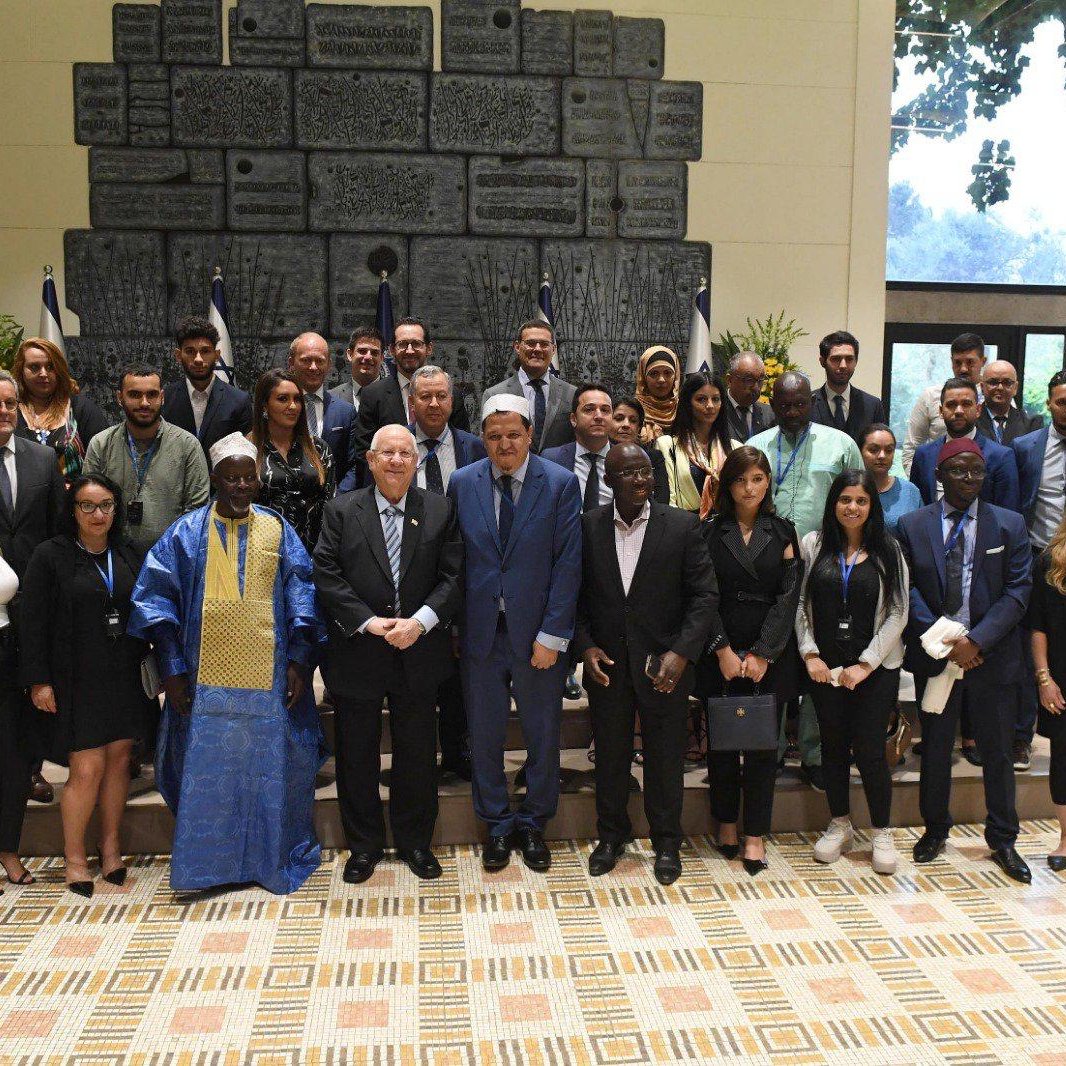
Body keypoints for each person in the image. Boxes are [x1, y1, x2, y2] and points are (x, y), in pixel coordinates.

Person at [128, 433, 327, 894]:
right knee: (208, 774)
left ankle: (266, 860)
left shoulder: (278, 529)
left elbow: (302, 595)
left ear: (258, 480)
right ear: (215, 479)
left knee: (269, 771)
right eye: (231, 478)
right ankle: (208, 868)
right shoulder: (185, 532)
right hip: (202, 687)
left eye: (248, 478)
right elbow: (156, 601)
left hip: (270, 685)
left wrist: (299, 662)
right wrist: (173, 669)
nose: (240, 486)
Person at [313, 424, 463, 883]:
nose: (397, 461)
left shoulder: (439, 509)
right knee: (356, 754)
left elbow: (454, 576)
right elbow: (326, 572)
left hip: (419, 648)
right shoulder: (341, 510)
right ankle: (364, 846)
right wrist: (367, 622)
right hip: (359, 650)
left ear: (416, 461)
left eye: (405, 453)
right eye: (387, 453)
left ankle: (416, 842)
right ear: (371, 460)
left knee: (417, 753)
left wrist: (420, 622)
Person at [447, 394, 581, 872]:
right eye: (494, 436)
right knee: (484, 735)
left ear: (530, 435)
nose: (504, 444)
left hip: (538, 636)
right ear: (483, 439)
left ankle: (534, 822)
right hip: (481, 633)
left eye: (513, 435)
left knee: (542, 733)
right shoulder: (463, 482)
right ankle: (498, 825)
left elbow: (568, 564)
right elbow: (454, 560)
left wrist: (553, 635)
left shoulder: (560, 482)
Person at [577, 443, 718, 885]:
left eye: (645, 472)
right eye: (628, 473)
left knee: (665, 758)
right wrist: (585, 646)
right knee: (610, 756)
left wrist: (682, 652)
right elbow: (574, 595)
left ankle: (667, 842)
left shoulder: (681, 525)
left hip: (665, 666)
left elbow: (704, 596)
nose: (639, 480)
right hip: (608, 665)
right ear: (608, 480)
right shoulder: (588, 526)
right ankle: (611, 837)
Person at [897, 438, 1033, 884]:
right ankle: (935, 829)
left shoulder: (1009, 524)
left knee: (997, 753)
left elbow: (1018, 591)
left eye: (976, 470)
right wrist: (949, 640)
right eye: (958, 470)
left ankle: (1004, 839)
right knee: (936, 749)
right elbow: (907, 588)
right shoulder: (912, 525)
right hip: (939, 655)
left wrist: (976, 641)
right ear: (939, 475)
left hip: (991, 657)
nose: (969, 478)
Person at [19, 475, 154, 897]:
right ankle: (75, 858)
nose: (99, 514)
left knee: (119, 762)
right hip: (75, 677)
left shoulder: (130, 551)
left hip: (124, 673)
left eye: (107, 505)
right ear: (73, 510)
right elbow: (33, 622)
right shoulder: (50, 555)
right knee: (86, 768)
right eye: (88, 506)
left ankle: (110, 848)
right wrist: (38, 680)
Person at [748, 372, 862, 792]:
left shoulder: (841, 444)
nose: (792, 412)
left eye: (799, 404)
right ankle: (771, 749)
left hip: (825, 565)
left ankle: (815, 753)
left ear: (811, 403)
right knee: (771, 655)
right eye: (784, 405)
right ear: (772, 404)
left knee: (821, 658)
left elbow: (858, 500)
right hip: (766, 567)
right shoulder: (756, 447)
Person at [796, 471, 909, 875]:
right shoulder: (813, 545)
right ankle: (839, 823)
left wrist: (866, 663)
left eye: (861, 500)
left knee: (870, 751)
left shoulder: (888, 549)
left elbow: (898, 611)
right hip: (825, 670)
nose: (852, 507)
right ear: (833, 504)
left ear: (871, 506)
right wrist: (810, 654)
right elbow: (799, 605)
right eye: (845, 499)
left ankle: (881, 831)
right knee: (832, 746)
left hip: (873, 670)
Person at [697, 447, 801, 876]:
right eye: (740, 479)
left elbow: (789, 596)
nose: (749, 488)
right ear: (727, 484)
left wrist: (763, 652)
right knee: (722, 742)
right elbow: (702, 593)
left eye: (757, 479)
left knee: (762, 748)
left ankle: (755, 833)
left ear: (768, 482)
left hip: (768, 651)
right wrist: (721, 647)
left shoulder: (783, 530)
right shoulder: (708, 531)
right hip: (719, 648)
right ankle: (725, 822)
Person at [408, 365, 486, 780]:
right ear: (411, 403)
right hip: (413, 574)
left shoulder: (475, 447)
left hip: (467, 572)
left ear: (452, 402)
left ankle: (458, 750)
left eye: (441, 396)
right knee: (420, 671)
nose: (434, 403)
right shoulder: (397, 446)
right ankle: (420, 758)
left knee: (460, 670)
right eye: (425, 396)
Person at [0, 367, 66, 812]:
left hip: (33, 595)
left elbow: (58, 529)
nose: (4, 411)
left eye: (10, 403)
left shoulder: (42, 458)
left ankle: (31, 770)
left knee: (34, 687)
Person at [82, 366, 210, 560]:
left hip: (170, 559)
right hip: (112, 558)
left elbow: (196, 513)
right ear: (119, 397)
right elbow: (88, 505)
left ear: (162, 397)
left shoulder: (187, 445)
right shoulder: (101, 444)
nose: (144, 403)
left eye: (152, 394)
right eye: (135, 395)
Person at [344, 318, 470, 490]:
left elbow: (462, 447)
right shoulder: (373, 395)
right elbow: (364, 456)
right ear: (391, 350)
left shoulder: (450, 394)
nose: (409, 350)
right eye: (403, 344)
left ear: (429, 348)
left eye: (416, 344)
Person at [248, 368, 335, 553]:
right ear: (264, 405)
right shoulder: (247, 449)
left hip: (312, 553)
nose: (293, 406)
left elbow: (329, 505)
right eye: (283, 399)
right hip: (261, 553)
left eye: (297, 399)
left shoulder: (319, 448)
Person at [909, 377, 1020, 511]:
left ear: (978, 410)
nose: (959, 411)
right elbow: (915, 507)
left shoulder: (1001, 457)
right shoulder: (923, 455)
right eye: (951, 405)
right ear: (941, 411)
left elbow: (1007, 513)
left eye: (966, 404)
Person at [13, 337, 109, 486]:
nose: (43, 373)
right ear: (21, 371)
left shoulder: (81, 408)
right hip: (22, 499)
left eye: (50, 367)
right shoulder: (9, 411)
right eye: (34, 367)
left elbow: (104, 461)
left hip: (72, 498)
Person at [1028, 514, 1066, 870]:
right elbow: (1037, 626)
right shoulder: (1050, 561)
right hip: (1061, 678)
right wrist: (1044, 678)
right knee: (1063, 758)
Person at [161, 316, 252, 460]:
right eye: (190, 351)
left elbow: (245, 456)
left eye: (205, 351)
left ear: (217, 355)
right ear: (178, 355)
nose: (198, 359)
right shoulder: (165, 399)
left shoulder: (239, 401)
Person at [481, 321, 577, 453]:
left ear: (553, 349)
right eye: (531, 343)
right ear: (517, 347)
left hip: (559, 466)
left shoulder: (572, 394)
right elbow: (488, 442)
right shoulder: (494, 394)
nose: (537, 349)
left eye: (544, 344)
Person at [902, 332, 987, 473]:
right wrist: (925, 482)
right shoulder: (930, 396)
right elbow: (911, 448)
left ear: (983, 361)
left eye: (970, 362)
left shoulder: (994, 397)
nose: (963, 369)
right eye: (957, 362)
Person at [655, 372, 737, 514]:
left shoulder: (735, 448)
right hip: (684, 523)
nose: (710, 405)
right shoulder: (667, 445)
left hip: (726, 524)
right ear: (688, 403)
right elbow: (668, 502)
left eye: (716, 399)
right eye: (701, 399)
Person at [284, 331, 355, 490]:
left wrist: (338, 499)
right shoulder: (279, 409)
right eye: (306, 360)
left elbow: (354, 465)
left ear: (329, 364)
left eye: (320, 361)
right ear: (291, 362)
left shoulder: (346, 412)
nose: (313, 367)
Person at [542, 384, 615, 512]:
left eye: (605, 410)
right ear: (573, 419)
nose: (598, 416)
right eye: (589, 409)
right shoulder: (550, 459)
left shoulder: (626, 460)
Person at [809, 330, 886, 446]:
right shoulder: (807, 403)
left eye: (849, 359)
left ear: (856, 362)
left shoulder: (872, 405)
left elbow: (879, 447)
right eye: (836, 359)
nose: (843, 365)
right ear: (822, 361)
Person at [859, 424, 922, 535]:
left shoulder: (909, 491)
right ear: (860, 451)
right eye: (873, 450)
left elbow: (920, 533)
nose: (882, 456)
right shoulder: (849, 489)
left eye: (888, 450)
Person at [608, 396, 670, 505]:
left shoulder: (653, 457)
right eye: (619, 418)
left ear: (639, 428)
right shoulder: (598, 454)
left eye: (633, 421)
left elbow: (662, 499)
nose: (626, 425)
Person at [978, 360, 1042, 444]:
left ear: (1015, 388)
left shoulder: (1030, 423)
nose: (1000, 387)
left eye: (1007, 382)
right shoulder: (971, 420)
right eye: (993, 382)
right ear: (982, 387)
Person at [329, 325, 385, 412]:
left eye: (374, 352)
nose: (368, 357)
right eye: (362, 351)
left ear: (382, 358)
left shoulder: (397, 397)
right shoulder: (330, 398)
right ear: (350, 355)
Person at [723, 352, 775, 443]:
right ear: (730, 380)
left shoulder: (771, 415)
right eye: (749, 380)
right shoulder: (714, 412)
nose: (756, 387)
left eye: (760, 380)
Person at [634, 345, 680, 443]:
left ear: (675, 375)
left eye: (667, 373)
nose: (661, 380)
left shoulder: (685, 410)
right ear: (643, 376)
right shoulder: (633, 410)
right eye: (654, 373)